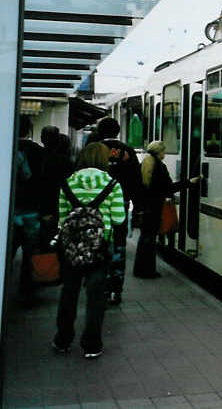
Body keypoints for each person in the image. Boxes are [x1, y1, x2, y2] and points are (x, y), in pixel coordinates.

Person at [52, 142, 125, 359]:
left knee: (69, 293)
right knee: (95, 297)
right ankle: (92, 344)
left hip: (72, 249)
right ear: (104, 159)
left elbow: (62, 220)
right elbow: (119, 218)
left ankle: (63, 340)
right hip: (99, 248)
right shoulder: (112, 184)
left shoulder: (68, 183)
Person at [94, 117, 143, 306]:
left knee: (97, 245)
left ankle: (99, 286)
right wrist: (137, 206)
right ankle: (115, 289)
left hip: (95, 207)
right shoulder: (128, 151)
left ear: (99, 131)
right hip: (119, 206)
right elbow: (136, 181)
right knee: (119, 246)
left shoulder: (92, 150)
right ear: (117, 131)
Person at [133, 141, 200, 279]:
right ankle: (148, 271)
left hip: (145, 208)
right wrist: (189, 182)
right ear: (159, 152)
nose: (165, 154)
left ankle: (139, 269)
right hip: (155, 208)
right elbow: (169, 188)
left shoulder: (145, 164)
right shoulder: (159, 166)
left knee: (144, 239)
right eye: (164, 151)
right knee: (150, 241)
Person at [13, 115, 45, 306]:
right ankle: (27, 291)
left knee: (5, 252)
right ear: (29, 131)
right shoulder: (38, 152)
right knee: (30, 253)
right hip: (32, 210)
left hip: (10, 209)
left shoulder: (4, 146)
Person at [40, 127, 74, 251]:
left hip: (46, 206)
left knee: (43, 244)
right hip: (60, 206)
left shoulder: (43, 157)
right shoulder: (67, 162)